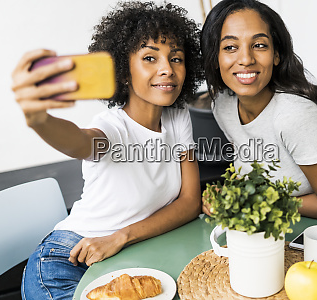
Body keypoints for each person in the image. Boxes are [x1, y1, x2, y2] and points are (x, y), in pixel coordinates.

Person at [11, 2, 203, 299]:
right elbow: (81, 142)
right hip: (68, 259)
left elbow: (190, 202)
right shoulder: (111, 129)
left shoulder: (177, 117)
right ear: (124, 72)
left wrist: (120, 237)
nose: (167, 69)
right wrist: (40, 119)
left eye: (176, 58)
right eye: (150, 58)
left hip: (127, 253)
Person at [200, 0, 317, 221]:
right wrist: (228, 196)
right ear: (215, 57)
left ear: (276, 54)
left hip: (315, 233)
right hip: (264, 227)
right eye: (230, 47)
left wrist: (261, 202)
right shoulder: (223, 105)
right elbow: (252, 167)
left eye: (259, 45)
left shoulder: (293, 116)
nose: (246, 59)